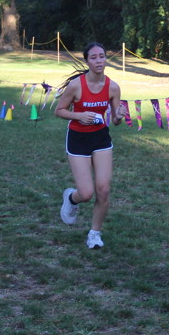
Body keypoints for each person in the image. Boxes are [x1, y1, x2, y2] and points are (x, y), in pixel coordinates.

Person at [54, 43, 124, 249]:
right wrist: (79, 115)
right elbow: (59, 110)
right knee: (86, 193)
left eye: (102, 56)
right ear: (87, 61)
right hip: (78, 139)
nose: (99, 61)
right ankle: (71, 198)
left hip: (101, 139)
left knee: (103, 190)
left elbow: (115, 121)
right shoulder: (76, 85)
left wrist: (119, 116)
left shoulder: (113, 87)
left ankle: (94, 233)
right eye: (94, 57)